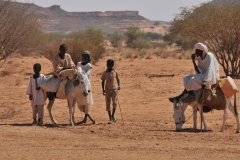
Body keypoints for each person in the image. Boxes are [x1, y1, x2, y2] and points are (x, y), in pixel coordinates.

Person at [76, 50, 95, 124]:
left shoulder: (89, 66)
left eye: (85, 56)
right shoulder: (79, 64)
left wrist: (80, 73)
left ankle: (86, 119)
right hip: (79, 85)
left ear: (88, 57)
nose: (83, 58)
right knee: (80, 103)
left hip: (86, 85)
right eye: (83, 56)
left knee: (86, 103)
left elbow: (86, 75)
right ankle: (89, 117)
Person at [101, 59, 121, 124]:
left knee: (115, 103)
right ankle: (110, 118)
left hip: (114, 89)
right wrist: (103, 90)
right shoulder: (105, 73)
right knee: (108, 103)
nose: (108, 66)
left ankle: (113, 115)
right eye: (107, 64)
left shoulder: (115, 72)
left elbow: (118, 79)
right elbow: (103, 81)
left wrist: (119, 86)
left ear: (112, 65)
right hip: (107, 89)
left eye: (110, 65)